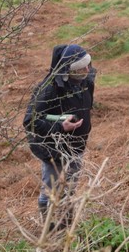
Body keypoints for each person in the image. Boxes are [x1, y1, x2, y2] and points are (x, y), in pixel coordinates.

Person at [23, 44, 95, 228]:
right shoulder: (48, 89)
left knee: (69, 187)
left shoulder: (87, 80)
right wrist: (60, 126)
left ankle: (65, 225)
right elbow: (30, 121)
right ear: (69, 70)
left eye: (88, 65)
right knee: (50, 188)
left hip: (77, 145)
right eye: (82, 68)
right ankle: (48, 226)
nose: (88, 70)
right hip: (53, 148)